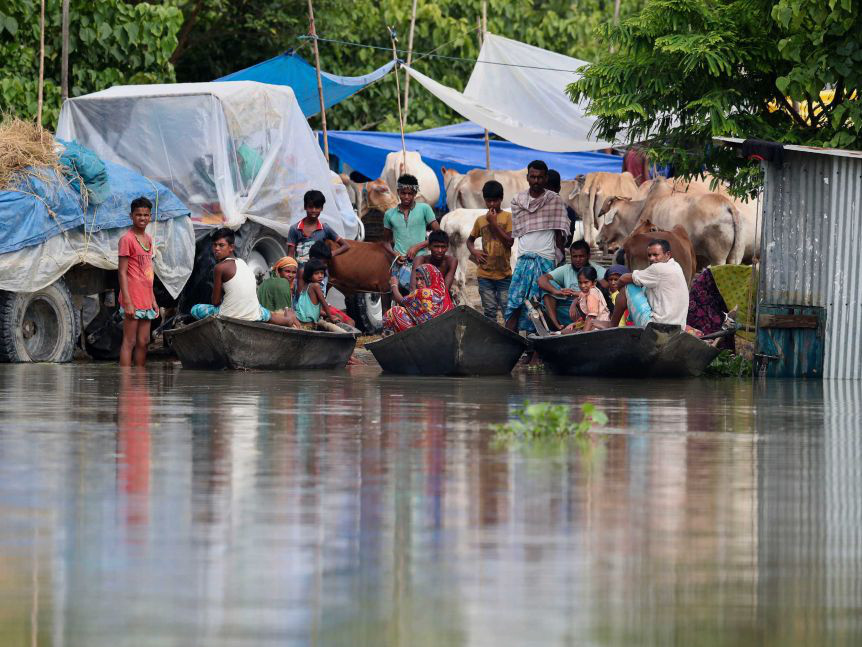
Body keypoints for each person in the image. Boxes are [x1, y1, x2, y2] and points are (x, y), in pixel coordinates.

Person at [503, 160, 570, 332]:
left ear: (546, 178)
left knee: (540, 305)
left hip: (546, 260)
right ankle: (511, 346)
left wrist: (560, 261)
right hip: (524, 259)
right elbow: (519, 231)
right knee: (514, 303)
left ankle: (536, 351)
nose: (536, 181)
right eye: (533, 177)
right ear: (527, 177)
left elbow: (558, 234)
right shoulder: (518, 201)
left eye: (540, 177)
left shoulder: (554, 200)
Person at [191, 228, 299, 327]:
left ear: (231, 247)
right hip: (252, 313)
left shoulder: (219, 268)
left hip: (229, 315)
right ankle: (286, 320)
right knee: (264, 312)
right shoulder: (242, 262)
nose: (216, 249)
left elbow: (215, 302)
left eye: (221, 245)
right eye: (214, 245)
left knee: (195, 309)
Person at [611, 238, 689, 328]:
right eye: (649, 255)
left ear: (668, 255)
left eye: (655, 255)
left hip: (656, 325)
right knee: (644, 287)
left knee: (628, 287)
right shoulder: (676, 266)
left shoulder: (657, 268)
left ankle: (612, 324)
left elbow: (623, 279)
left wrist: (619, 290)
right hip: (679, 327)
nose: (651, 258)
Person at [118, 197, 158, 367]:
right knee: (130, 341)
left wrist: (154, 300)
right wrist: (126, 300)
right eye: (138, 215)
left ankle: (140, 382)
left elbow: (148, 274)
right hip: (132, 299)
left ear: (150, 217)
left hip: (146, 299)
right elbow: (121, 271)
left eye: (146, 215)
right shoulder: (127, 240)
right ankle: (126, 383)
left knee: (144, 341)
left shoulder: (148, 239)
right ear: (131, 216)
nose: (142, 218)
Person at [382, 173, 440, 292]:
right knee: (397, 296)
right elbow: (386, 242)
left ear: (415, 194)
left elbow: (438, 235)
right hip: (399, 263)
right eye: (403, 193)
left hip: (421, 260)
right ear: (398, 192)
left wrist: (418, 246)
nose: (406, 197)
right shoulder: (389, 214)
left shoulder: (424, 209)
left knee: (420, 295)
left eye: (410, 194)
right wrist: (395, 254)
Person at [467, 180, 513, 321]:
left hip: (504, 275)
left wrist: (493, 222)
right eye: (489, 201)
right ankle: (492, 339)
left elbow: (509, 242)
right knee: (490, 310)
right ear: (484, 200)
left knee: (507, 309)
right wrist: (474, 252)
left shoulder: (508, 217)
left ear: (501, 199)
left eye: (495, 201)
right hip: (485, 275)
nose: (492, 204)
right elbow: (469, 241)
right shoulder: (480, 220)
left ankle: (509, 338)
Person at [537, 240, 606, 331]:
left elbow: (605, 287)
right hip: (566, 309)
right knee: (548, 287)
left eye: (581, 256)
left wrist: (576, 296)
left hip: (587, 309)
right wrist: (557, 291)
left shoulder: (597, 270)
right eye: (575, 256)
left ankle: (570, 328)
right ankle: (556, 325)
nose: (578, 260)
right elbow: (541, 279)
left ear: (588, 256)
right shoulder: (566, 269)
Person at [384, 263, 454, 334]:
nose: (418, 283)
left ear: (430, 277)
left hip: (430, 334)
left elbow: (402, 301)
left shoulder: (423, 293)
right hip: (447, 331)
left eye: (421, 279)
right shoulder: (443, 291)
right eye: (417, 279)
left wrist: (394, 286)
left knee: (394, 312)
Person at [287, 190, 349, 265]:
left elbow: (346, 245)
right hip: (301, 273)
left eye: (317, 207)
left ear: (322, 208)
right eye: (310, 207)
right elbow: (290, 255)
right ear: (305, 207)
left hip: (319, 273)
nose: (314, 210)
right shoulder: (295, 229)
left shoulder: (325, 228)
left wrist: (331, 254)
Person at [563, 266, 611, 333]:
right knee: (567, 330)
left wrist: (583, 334)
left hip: (599, 328)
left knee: (565, 332)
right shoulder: (587, 292)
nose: (582, 286)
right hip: (594, 325)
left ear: (594, 282)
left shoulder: (592, 293)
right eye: (580, 282)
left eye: (586, 282)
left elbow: (591, 317)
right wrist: (576, 324)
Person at [411, 229, 458, 296]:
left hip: (441, 296)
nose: (439, 250)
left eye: (443, 247)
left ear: (447, 248)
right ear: (429, 247)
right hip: (421, 296)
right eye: (436, 246)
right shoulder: (420, 260)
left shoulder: (451, 261)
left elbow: (446, 289)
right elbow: (413, 287)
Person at [294, 258, 337, 325]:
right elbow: (324, 303)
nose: (320, 276)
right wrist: (331, 317)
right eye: (316, 273)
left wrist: (325, 315)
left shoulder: (306, 285)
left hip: (300, 318)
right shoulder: (316, 286)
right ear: (309, 275)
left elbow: (312, 307)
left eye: (322, 273)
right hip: (307, 321)